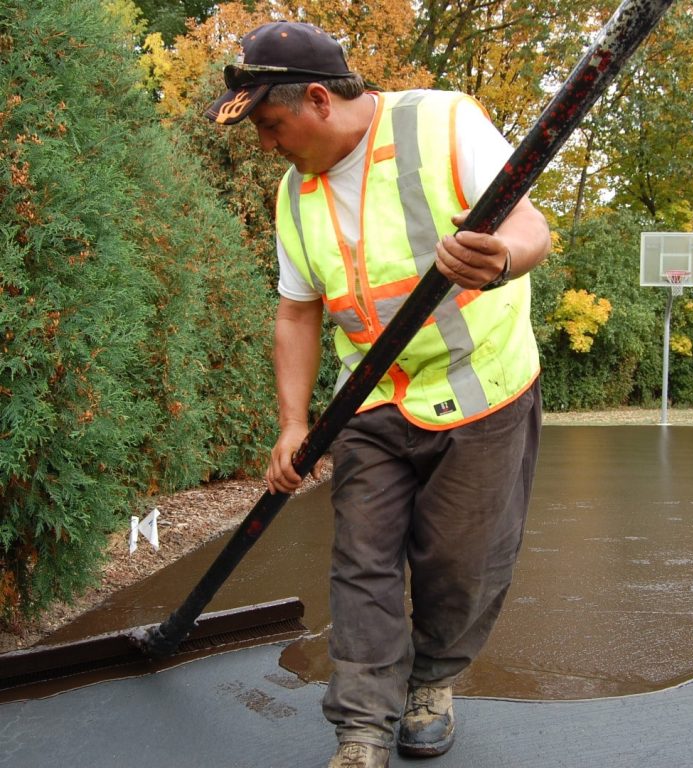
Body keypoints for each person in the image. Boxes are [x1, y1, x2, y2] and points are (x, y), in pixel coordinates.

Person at [206, 20, 550, 768]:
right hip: (369, 397)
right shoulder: (295, 196)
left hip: (481, 387)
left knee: (459, 564)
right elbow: (298, 310)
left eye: (272, 124)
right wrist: (293, 423)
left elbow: (529, 226)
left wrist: (500, 259)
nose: (267, 145)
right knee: (360, 559)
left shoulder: (442, 122)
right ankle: (361, 728)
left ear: (320, 99)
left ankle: (432, 681)